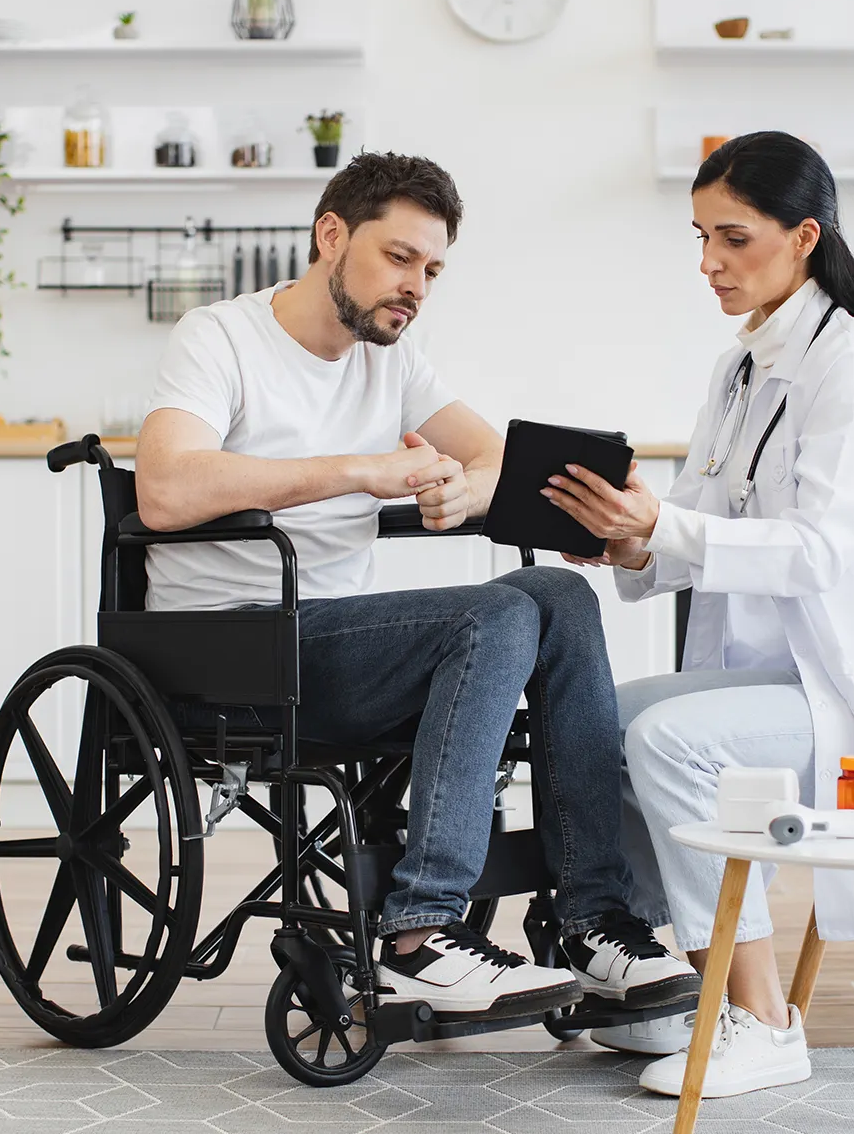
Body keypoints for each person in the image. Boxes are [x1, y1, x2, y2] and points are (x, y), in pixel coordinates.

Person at [135, 152, 698, 1022]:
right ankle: (418, 936)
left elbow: (494, 452)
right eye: (400, 259)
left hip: (336, 639)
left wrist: (465, 489)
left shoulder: (391, 363)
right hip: (233, 645)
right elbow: (165, 489)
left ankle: (591, 919)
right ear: (332, 236)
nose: (417, 287)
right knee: (498, 612)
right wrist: (361, 470)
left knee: (562, 598)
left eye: (432, 269)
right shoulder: (220, 338)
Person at [543, 131, 854, 1095]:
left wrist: (665, 523)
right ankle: (654, 982)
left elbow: (816, 550)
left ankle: (759, 1018)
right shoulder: (743, 366)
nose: (708, 262)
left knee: (670, 741)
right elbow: (703, 526)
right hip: (791, 670)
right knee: (599, 720)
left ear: (803, 237)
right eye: (701, 236)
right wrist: (627, 538)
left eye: (733, 238)